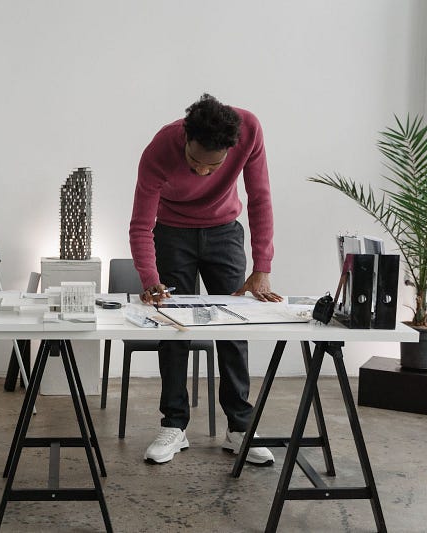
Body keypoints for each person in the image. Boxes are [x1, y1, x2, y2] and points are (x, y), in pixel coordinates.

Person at [129, 93, 283, 465]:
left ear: (231, 149)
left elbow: (259, 197)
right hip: (172, 233)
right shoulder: (159, 150)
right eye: (194, 162)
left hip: (225, 232)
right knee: (173, 327)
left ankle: (240, 428)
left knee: (235, 329)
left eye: (211, 167)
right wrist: (149, 278)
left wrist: (262, 268)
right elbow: (140, 224)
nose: (201, 172)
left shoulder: (250, 131)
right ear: (185, 139)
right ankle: (174, 426)